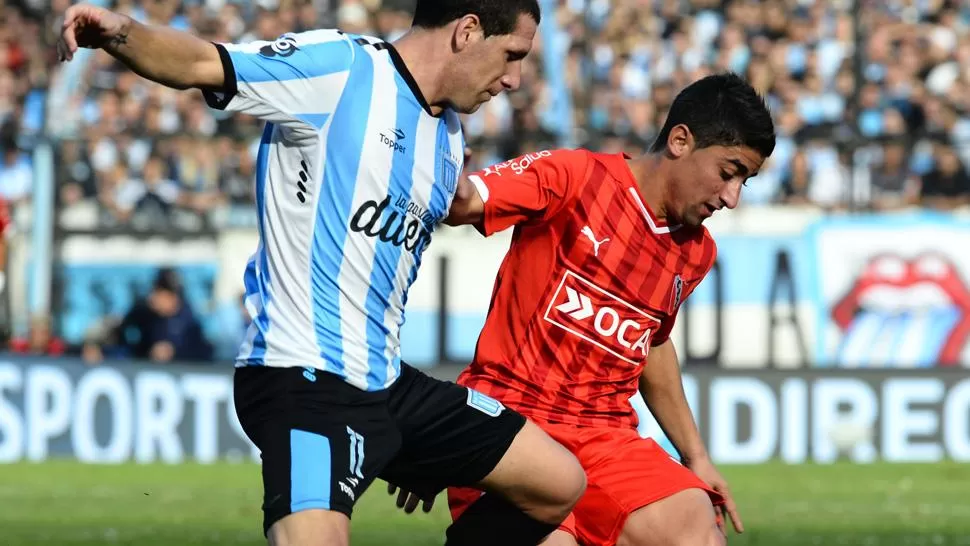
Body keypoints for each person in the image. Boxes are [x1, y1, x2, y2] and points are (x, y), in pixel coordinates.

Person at [57, 3, 587, 546]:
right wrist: (119, 32)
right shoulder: (340, 69)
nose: (515, 79)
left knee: (559, 483)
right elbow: (200, 63)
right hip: (302, 379)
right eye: (512, 55)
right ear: (467, 31)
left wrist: (424, 455)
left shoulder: (449, 135)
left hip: (389, 385)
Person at [392, 73, 776, 546]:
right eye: (728, 171)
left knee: (697, 527)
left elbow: (650, 342)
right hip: (514, 422)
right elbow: (464, 202)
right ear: (680, 141)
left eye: (745, 180)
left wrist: (695, 455)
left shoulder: (695, 251)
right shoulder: (573, 177)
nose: (732, 197)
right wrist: (439, 435)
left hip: (605, 436)